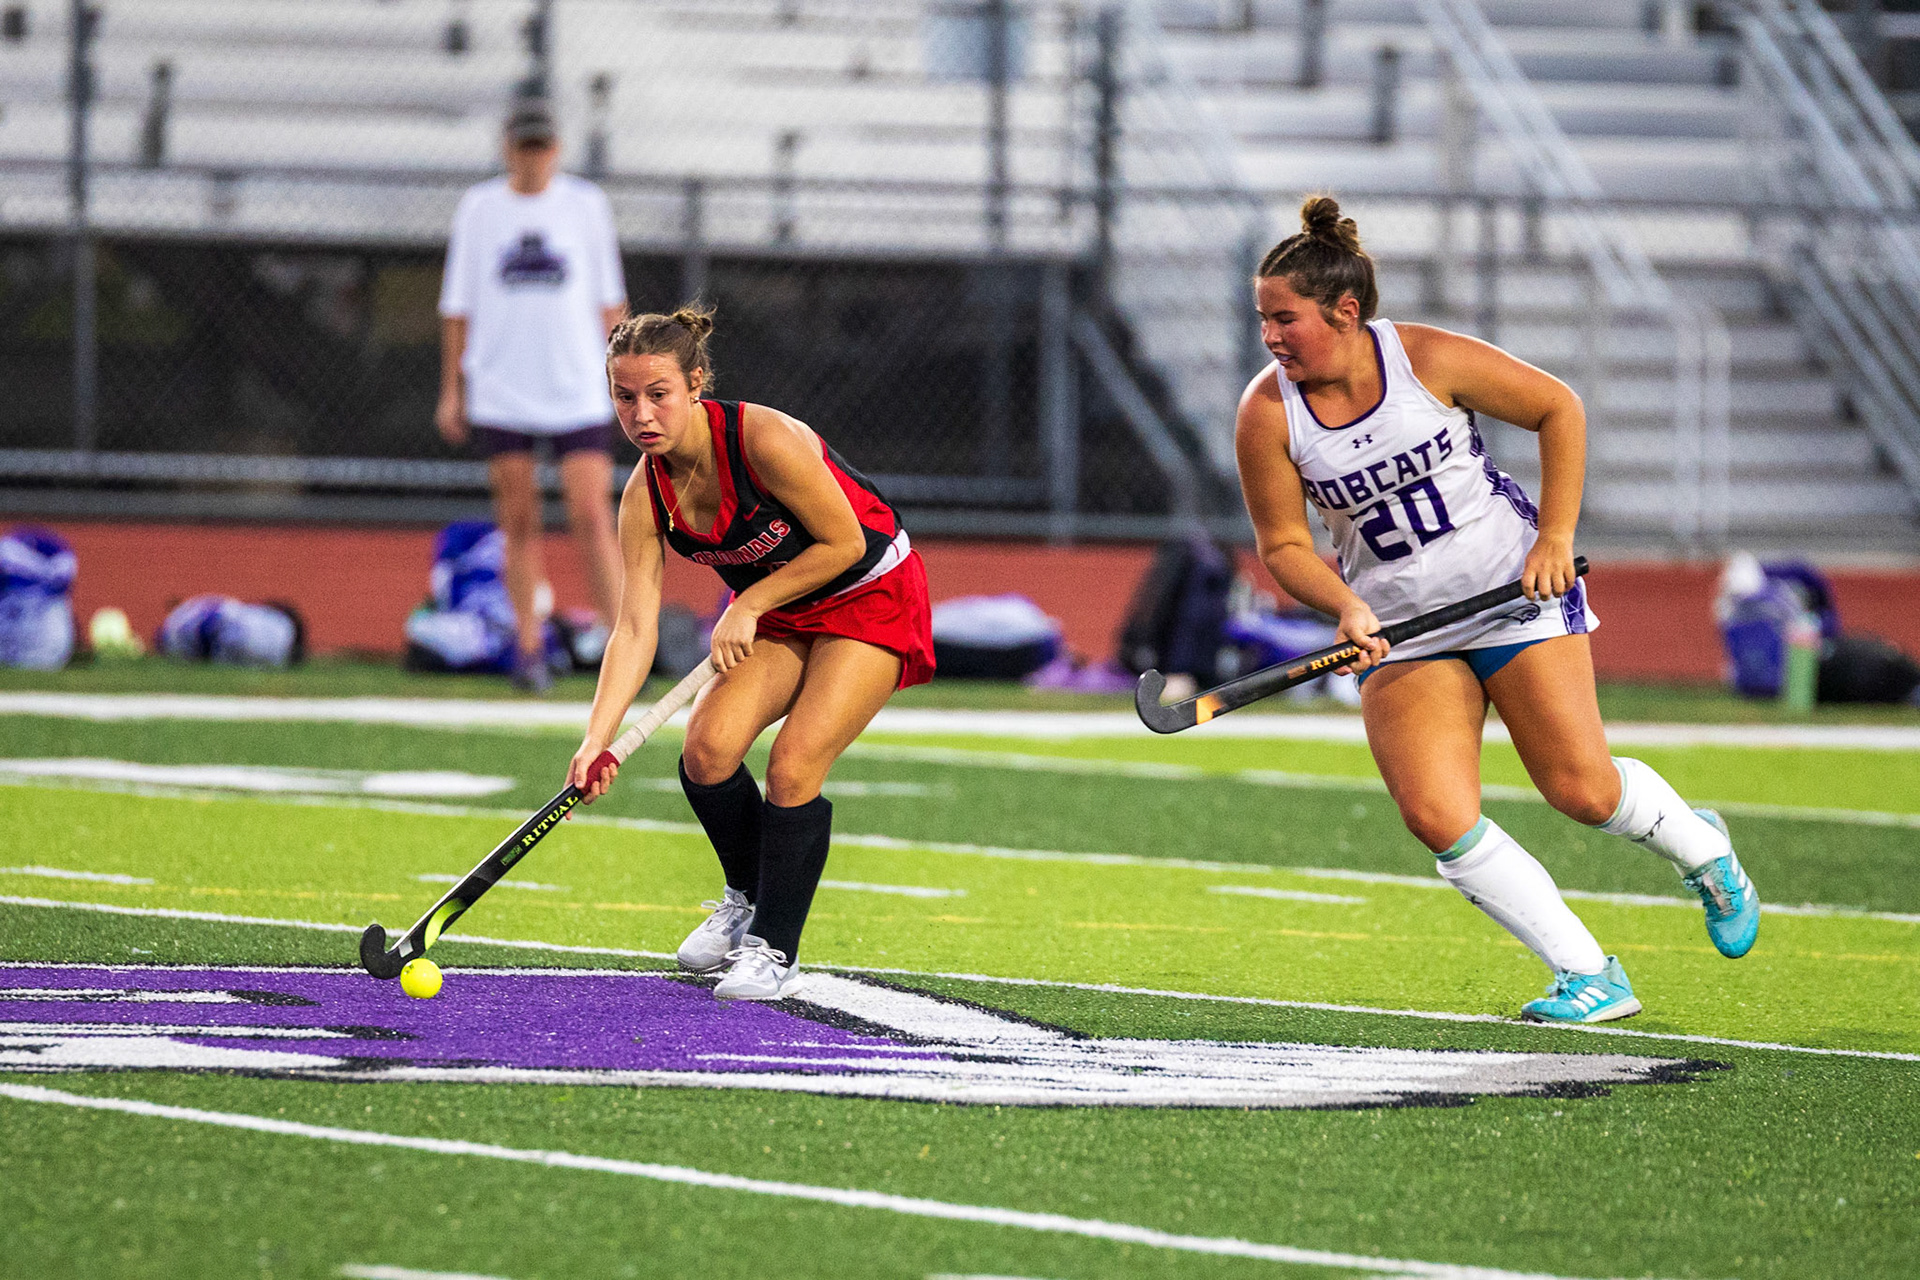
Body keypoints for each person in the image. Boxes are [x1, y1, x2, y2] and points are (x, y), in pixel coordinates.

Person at [1233, 196, 1759, 1024]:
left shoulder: (1426, 359)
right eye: (1263, 319)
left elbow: (1559, 408)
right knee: (1436, 815)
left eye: (1284, 318)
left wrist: (1555, 537)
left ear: (1345, 311)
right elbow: (1283, 545)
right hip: (1400, 629)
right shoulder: (1268, 412)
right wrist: (1345, 604)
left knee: (1581, 789)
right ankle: (1589, 974)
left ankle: (1703, 851)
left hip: (1513, 596)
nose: (1269, 337)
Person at [567, 305, 934, 1000]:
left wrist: (748, 604)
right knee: (706, 752)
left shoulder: (762, 438)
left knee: (792, 765)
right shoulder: (645, 496)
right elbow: (635, 628)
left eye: (658, 394)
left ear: (695, 384)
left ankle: (776, 949)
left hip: (871, 593)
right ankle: (747, 899)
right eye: (624, 397)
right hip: (783, 611)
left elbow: (845, 543)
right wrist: (596, 738)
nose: (642, 414)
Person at [436, 98, 627, 692]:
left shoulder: (586, 206)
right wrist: (453, 389)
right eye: (525, 146)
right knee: (518, 520)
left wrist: (628, 383)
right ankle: (528, 647)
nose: (534, 158)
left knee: (592, 515)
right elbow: (458, 306)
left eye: (542, 147)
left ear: (557, 150)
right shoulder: (480, 208)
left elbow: (610, 303)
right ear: (507, 148)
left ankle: (624, 646)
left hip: (575, 383)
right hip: (503, 384)